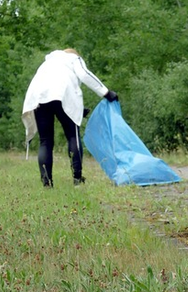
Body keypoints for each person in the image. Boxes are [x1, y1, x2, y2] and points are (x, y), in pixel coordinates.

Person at [22, 49, 118, 188]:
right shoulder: (73, 59)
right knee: (73, 136)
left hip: (38, 98)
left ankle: (47, 182)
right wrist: (106, 92)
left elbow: (53, 89)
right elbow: (84, 75)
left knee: (45, 141)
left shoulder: (47, 63)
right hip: (62, 96)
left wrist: (78, 109)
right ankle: (77, 179)